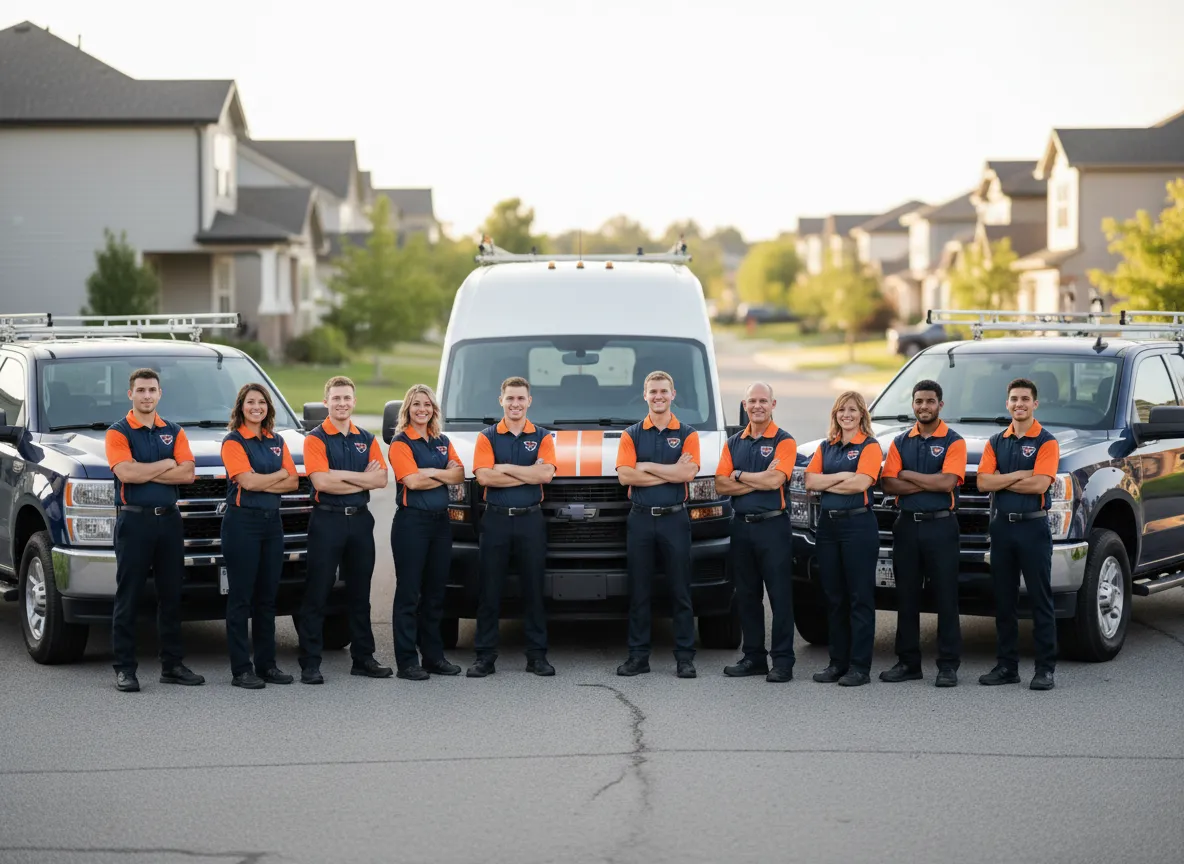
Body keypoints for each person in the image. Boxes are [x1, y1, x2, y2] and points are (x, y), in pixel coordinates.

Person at [105, 368, 204, 692]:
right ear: (130, 394)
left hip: (170, 521)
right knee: (129, 595)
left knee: (172, 595)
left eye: (152, 390)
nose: (147, 396)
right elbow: (126, 473)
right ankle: (125, 669)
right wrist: (166, 465)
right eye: (141, 390)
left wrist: (147, 470)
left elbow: (187, 473)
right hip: (135, 521)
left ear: (160, 394)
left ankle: (172, 665)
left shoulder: (174, 431)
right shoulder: (118, 433)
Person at [296, 376, 393, 685]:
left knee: (359, 592)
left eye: (346, 398)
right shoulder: (315, 439)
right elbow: (321, 482)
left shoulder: (367, 437)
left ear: (354, 401)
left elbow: (380, 480)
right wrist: (359, 477)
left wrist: (342, 477)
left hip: (361, 520)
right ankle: (310, 661)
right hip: (328, 520)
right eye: (335, 398)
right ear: (326, 402)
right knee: (318, 591)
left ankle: (363, 658)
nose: (341, 403)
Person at [467, 376, 557, 678]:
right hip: (496, 519)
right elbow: (485, 478)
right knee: (490, 589)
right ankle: (485, 657)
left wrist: (503, 467)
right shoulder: (487, 437)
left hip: (530, 518)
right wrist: (526, 473)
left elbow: (545, 475)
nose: (515, 404)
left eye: (521, 399)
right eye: (510, 399)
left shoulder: (543, 436)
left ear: (529, 401)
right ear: (501, 401)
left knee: (534, 588)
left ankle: (537, 656)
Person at [879, 379, 966, 687]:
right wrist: (930, 478)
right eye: (919, 401)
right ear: (913, 404)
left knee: (946, 596)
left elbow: (947, 483)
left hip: (941, 525)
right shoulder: (901, 441)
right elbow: (888, 483)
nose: (924, 407)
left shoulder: (954, 441)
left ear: (940, 405)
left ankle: (947, 665)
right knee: (906, 596)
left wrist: (909, 476)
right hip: (906, 525)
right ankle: (908, 662)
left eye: (930, 401)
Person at [975, 377, 1060, 691]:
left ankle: (1045, 669)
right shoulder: (996, 441)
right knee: (1004, 600)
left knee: (1040, 600)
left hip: (1032, 527)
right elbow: (983, 482)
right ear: (1007, 403)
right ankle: (1007, 666)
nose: (1019, 404)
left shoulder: (1046, 441)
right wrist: (1021, 474)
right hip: (1002, 528)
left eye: (1025, 399)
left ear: (1035, 404)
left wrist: (1003, 479)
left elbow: (1040, 484)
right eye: (1014, 399)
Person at [615, 370, 701, 679]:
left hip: (674, 518)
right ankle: (638, 657)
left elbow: (687, 474)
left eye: (663, 391)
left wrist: (648, 466)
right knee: (639, 591)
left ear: (673, 394)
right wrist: (670, 470)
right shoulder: (631, 434)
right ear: (645, 395)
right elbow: (626, 475)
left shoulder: (689, 433)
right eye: (653, 392)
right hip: (640, 518)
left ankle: (684, 658)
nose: (658, 396)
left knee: (680, 589)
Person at [715, 382, 797, 682]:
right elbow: (720, 484)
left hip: (773, 527)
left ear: (773, 405)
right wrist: (756, 479)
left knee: (779, 596)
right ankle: (753, 658)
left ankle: (783, 662)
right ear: (744, 405)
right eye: (752, 401)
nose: (758, 406)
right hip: (741, 526)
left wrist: (738, 475)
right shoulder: (733, 442)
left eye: (764, 400)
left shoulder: (784, 441)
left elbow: (775, 480)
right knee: (747, 595)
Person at [220, 384, 299, 689]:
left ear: (268, 407)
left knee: (267, 598)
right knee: (241, 598)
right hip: (243, 525)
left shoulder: (277, 440)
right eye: (250, 402)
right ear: (241, 407)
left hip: (272, 525)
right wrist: (277, 475)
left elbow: (293, 482)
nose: (257, 407)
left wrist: (271, 478)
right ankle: (241, 669)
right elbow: (247, 482)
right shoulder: (233, 442)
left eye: (261, 402)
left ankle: (267, 665)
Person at [805, 390, 882, 687]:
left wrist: (830, 481)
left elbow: (861, 483)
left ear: (862, 414)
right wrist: (844, 477)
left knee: (859, 597)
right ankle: (837, 663)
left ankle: (859, 667)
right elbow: (811, 481)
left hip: (858, 527)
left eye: (852, 409)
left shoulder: (870, 447)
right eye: (841, 410)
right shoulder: (827, 446)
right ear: (835, 415)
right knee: (834, 597)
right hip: (828, 528)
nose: (846, 415)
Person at [388, 384, 465, 681]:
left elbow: (459, 474)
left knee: (435, 593)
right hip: (412, 524)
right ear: (407, 409)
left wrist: (428, 472)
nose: (423, 409)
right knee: (409, 594)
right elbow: (412, 482)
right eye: (417, 404)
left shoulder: (442, 440)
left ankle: (433, 657)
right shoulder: (400, 443)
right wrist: (440, 475)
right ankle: (408, 662)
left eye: (428, 405)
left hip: (440, 524)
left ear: (434, 409)